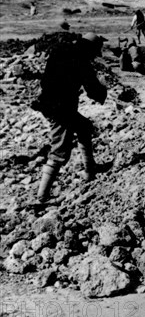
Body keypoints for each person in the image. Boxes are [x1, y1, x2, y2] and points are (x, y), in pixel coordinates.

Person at [31, 32, 108, 205]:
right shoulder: (81, 61)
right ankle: (42, 198)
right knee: (59, 151)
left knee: (84, 128)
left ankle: (90, 170)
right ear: (90, 49)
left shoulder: (60, 50)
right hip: (60, 110)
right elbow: (93, 89)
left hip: (49, 103)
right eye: (95, 52)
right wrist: (102, 92)